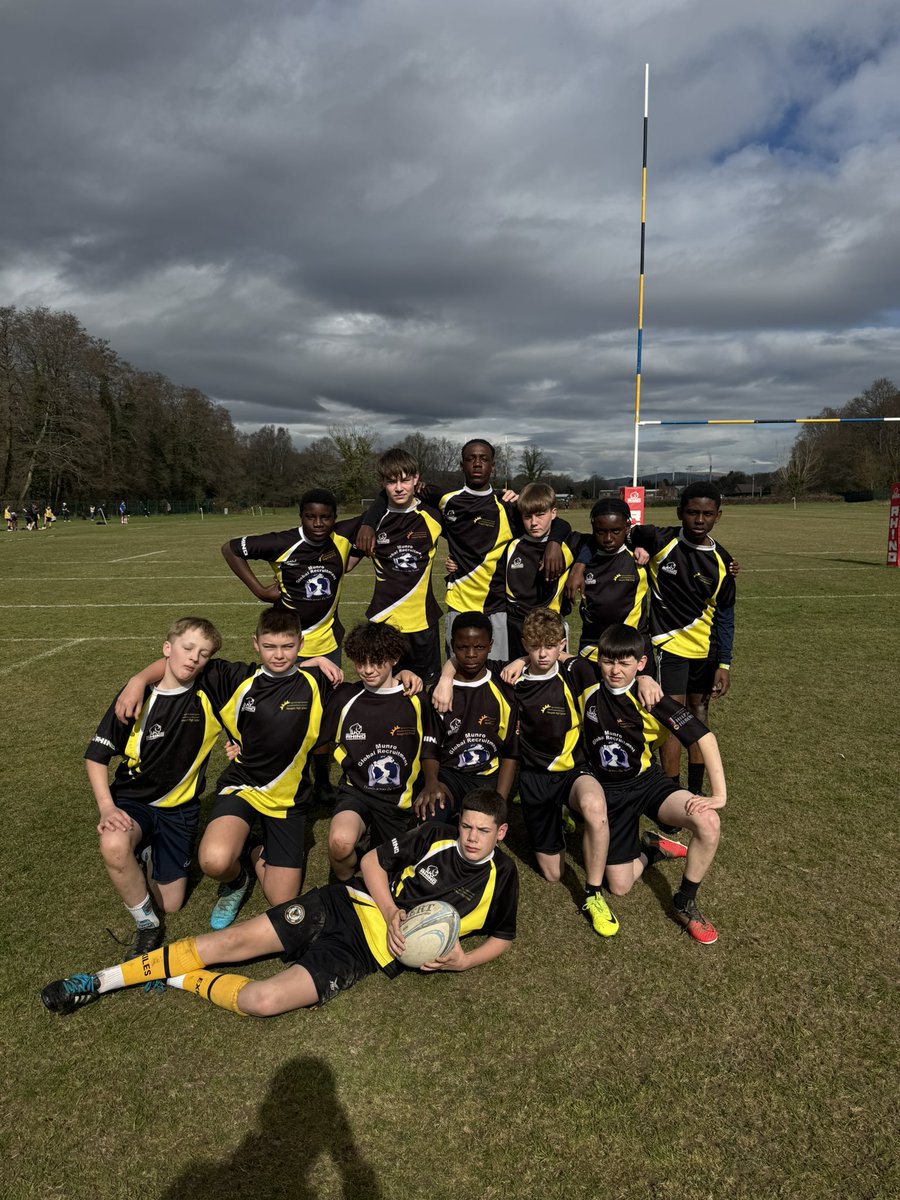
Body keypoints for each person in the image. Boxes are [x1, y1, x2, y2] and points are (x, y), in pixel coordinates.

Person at [41, 788, 518, 1018]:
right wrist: (393, 912)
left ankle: (177, 976)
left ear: (501, 833)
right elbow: (371, 862)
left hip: (361, 955)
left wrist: (463, 962)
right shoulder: (437, 835)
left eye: (483, 831)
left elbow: (502, 936)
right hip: (345, 904)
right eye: (467, 827)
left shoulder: (503, 876)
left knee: (261, 1000)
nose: (472, 838)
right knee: (229, 942)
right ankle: (98, 982)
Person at [115, 609, 343, 930]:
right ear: (255, 644)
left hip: (288, 800)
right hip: (243, 786)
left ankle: (251, 848)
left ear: (300, 644)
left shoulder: (318, 681)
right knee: (214, 861)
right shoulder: (233, 679)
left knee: (281, 899)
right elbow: (180, 666)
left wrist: (406, 679)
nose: (278, 655)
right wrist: (138, 680)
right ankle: (236, 880)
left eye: (287, 647)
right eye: (269, 646)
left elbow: (369, 691)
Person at [85, 617, 224, 958]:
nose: (193, 658)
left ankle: (146, 850)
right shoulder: (137, 696)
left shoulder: (211, 687)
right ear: (167, 648)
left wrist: (319, 659)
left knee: (172, 903)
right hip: (133, 803)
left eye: (203, 653)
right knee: (114, 843)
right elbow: (96, 757)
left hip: (181, 810)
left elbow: (272, 665)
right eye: (187, 648)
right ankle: (147, 925)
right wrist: (106, 807)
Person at [357, 438, 570, 659]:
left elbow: (556, 522)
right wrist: (369, 522)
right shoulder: (445, 499)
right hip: (459, 605)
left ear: (492, 466)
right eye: (471, 459)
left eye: (484, 459)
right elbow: (393, 487)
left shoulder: (507, 507)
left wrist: (554, 542)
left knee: (496, 676)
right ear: (462, 465)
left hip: (496, 608)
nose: (477, 464)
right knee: (457, 674)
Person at [579, 624, 726, 943]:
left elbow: (704, 737)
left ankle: (685, 902)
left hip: (647, 783)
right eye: (608, 661)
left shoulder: (651, 696)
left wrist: (719, 795)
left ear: (641, 663)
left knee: (708, 822)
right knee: (619, 886)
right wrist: (520, 662)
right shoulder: (588, 680)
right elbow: (557, 656)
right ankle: (651, 849)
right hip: (609, 793)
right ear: (599, 659)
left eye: (626, 663)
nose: (615, 670)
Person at [506, 607, 620, 938]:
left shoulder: (576, 670)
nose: (542, 654)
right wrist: (442, 677)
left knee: (595, 807)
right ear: (525, 643)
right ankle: (557, 817)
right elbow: (461, 663)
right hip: (535, 778)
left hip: (574, 772)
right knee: (552, 874)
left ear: (561, 644)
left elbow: (618, 672)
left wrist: (643, 678)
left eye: (550, 645)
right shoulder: (514, 678)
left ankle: (593, 893)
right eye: (535, 645)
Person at [628, 483, 736, 795]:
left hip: (705, 653)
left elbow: (726, 616)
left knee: (699, 715)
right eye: (692, 512)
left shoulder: (723, 562)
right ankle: (673, 794)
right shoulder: (660, 539)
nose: (699, 519)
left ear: (718, 516)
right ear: (680, 513)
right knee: (672, 722)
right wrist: (638, 547)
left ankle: (696, 791)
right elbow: (627, 531)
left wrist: (724, 663)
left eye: (707, 514)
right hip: (666, 648)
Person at [319, 620, 434, 880]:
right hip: (356, 794)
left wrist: (430, 783)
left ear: (394, 658)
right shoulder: (344, 698)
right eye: (360, 662)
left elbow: (430, 746)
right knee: (340, 842)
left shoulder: (415, 699)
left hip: (399, 803)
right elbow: (314, 737)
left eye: (376, 662)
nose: (368, 670)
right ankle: (345, 888)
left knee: (396, 876)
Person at [220, 488, 363, 664]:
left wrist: (363, 544)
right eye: (310, 517)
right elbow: (230, 549)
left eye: (325, 517)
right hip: (288, 643)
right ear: (301, 516)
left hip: (329, 643)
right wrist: (260, 591)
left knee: (327, 691)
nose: (318, 523)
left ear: (335, 518)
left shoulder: (342, 535)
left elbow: (377, 513)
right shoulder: (281, 543)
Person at [420, 611, 519, 825]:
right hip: (450, 776)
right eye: (463, 647)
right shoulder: (440, 690)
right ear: (453, 645)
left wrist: (500, 800)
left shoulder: (504, 682)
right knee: (431, 819)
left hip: (487, 777)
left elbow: (511, 751)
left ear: (491, 645)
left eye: (479, 647)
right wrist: (431, 783)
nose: (471, 654)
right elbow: (431, 745)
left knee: (481, 830)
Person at [358, 448, 444, 685]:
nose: (398, 487)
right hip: (384, 622)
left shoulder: (434, 516)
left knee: (425, 691)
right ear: (382, 483)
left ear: (416, 479)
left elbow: (469, 533)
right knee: (383, 689)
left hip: (423, 623)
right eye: (391, 481)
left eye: (405, 480)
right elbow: (340, 557)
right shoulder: (372, 521)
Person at [565, 497, 651, 661]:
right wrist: (578, 566)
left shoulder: (641, 556)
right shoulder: (580, 550)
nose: (608, 538)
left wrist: (639, 543)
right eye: (601, 531)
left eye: (615, 531)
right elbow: (559, 527)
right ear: (593, 528)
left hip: (634, 651)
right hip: (592, 651)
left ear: (627, 526)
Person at [503, 482, 581, 660]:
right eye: (527, 516)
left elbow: (593, 545)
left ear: (553, 513)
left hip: (552, 624)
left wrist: (579, 567)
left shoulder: (569, 542)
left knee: (553, 682)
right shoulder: (511, 543)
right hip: (515, 627)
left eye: (540, 515)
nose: (534, 522)